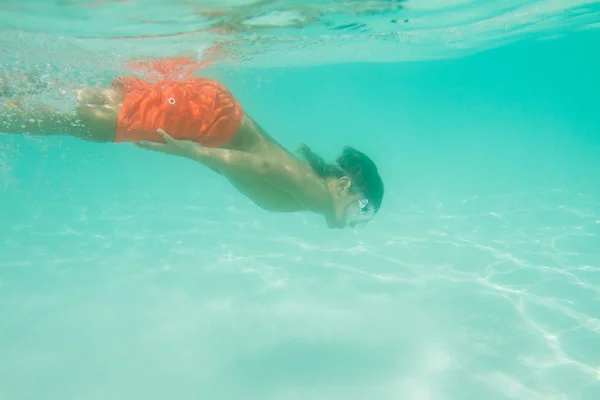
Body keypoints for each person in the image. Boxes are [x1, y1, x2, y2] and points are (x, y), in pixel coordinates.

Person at [0, 65, 384, 229]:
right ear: (347, 187)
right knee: (94, 121)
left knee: (91, 106)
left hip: (212, 113)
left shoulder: (315, 191)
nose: (357, 222)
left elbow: (260, 167)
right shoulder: (319, 196)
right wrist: (194, 152)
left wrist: (201, 152)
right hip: (208, 121)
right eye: (364, 211)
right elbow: (264, 169)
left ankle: (11, 81)